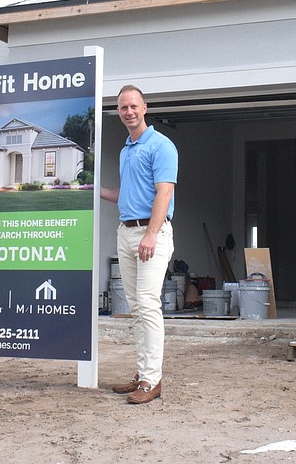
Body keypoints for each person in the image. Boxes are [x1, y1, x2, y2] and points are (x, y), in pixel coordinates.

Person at [100, 85, 177, 404]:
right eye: (122, 108)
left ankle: (152, 380)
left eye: (133, 106)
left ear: (145, 107)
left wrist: (150, 234)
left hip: (152, 234)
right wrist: (99, 192)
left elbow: (164, 192)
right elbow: (130, 194)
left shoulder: (162, 145)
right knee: (136, 308)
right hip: (126, 231)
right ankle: (144, 373)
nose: (128, 112)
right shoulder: (126, 150)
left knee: (147, 304)